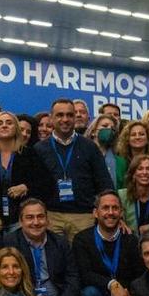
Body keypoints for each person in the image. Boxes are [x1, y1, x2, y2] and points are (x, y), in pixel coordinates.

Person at [3, 199, 92, 296]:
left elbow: (73, 276)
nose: (36, 222)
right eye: (30, 217)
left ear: (47, 219)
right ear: (21, 221)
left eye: (40, 217)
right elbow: (7, 280)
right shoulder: (10, 242)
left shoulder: (59, 242)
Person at [74, 191, 146, 296]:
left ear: (121, 213)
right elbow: (84, 274)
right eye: (105, 208)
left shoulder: (130, 239)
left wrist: (128, 294)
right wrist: (112, 284)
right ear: (95, 212)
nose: (110, 212)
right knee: (89, 293)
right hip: (100, 294)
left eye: (115, 208)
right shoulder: (82, 239)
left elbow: (140, 274)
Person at [34, 98, 114, 239]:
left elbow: (104, 183)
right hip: (51, 216)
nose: (65, 119)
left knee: (82, 259)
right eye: (60, 115)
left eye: (69, 115)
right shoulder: (39, 149)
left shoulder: (90, 147)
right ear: (51, 118)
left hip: (83, 217)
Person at [0, 110, 54, 227]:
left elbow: (47, 183)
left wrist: (26, 187)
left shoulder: (28, 154)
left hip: (22, 220)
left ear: (16, 128)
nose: (4, 125)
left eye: (9, 123)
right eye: (0, 123)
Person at [119, 154, 149, 234]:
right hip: (131, 241)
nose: (145, 172)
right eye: (140, 169)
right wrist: (119, 221)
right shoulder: (122, 195)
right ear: (133, 174)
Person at [90, 114, 125, 188]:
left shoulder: (121, 162)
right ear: (93, 131)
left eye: (112, 129)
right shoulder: (82, 156)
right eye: (105, 126)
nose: (109, 129)